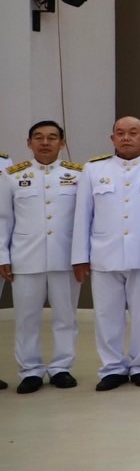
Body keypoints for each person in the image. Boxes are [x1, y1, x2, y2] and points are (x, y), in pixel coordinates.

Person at [72, 116, 140, 391]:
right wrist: (80, 257)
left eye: (133, 132)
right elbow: (83, 215)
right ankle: (112, 368)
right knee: (106, 314)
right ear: (112, 139)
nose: (126, 138)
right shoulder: (93, 169)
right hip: (104, 254)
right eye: (120, 133)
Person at [1, 121, 83, 394]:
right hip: (26, 258)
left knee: (66, 316)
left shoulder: (78, 175)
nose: (45, 142)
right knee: (26, 319)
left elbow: (85, 219)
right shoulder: (12, 176)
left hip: (65, 258)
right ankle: (30, 370)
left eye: (52, 137)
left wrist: (83, 256)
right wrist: (2, 255)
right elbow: (3, 219)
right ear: (29, 143)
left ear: (62, 143)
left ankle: (62, 368)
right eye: (38, 137)